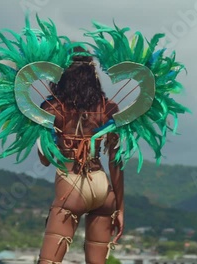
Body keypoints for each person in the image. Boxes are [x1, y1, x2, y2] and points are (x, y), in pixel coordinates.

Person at [36, 47, 124, 264]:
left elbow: (45, 159)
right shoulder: (109, 108)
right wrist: (120, 209)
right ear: (94, 76)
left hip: (70, 189)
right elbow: (116, 161)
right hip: (103, 189)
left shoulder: (51, 107)